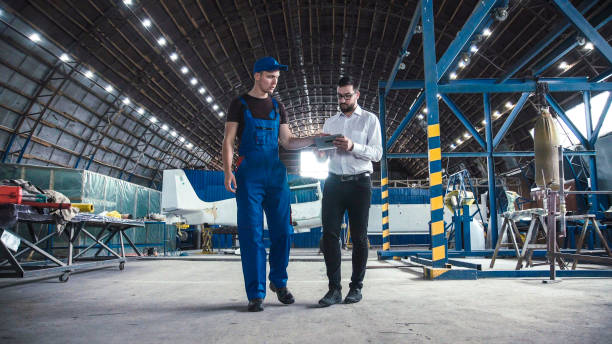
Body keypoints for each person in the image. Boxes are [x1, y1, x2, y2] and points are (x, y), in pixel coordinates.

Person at [222, 57, 315, 312]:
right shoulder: (239, 104)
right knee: (251, 234)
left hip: (275, 174)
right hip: (249, 174)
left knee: (284, 231)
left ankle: (279, 282)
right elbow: (229, 141)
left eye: (277, 77)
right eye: (270, 77)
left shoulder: (278, 106)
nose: (275, 82)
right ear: (257, 76)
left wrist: (314, 139)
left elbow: (287, 141)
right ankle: (256, 294)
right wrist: (228, 171)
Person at [317, 76, 382, 307]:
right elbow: (323, 154)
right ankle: (334, 289)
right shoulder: (330, 123)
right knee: (330, 236)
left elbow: (377, 154)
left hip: (359, 184)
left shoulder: (369, 120)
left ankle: (356, 288)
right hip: (333, 182)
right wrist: (320, 153)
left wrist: (353, 146)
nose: (343, 100)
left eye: (347, 95)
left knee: (359, 237)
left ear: (357, 95)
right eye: (340, 96)